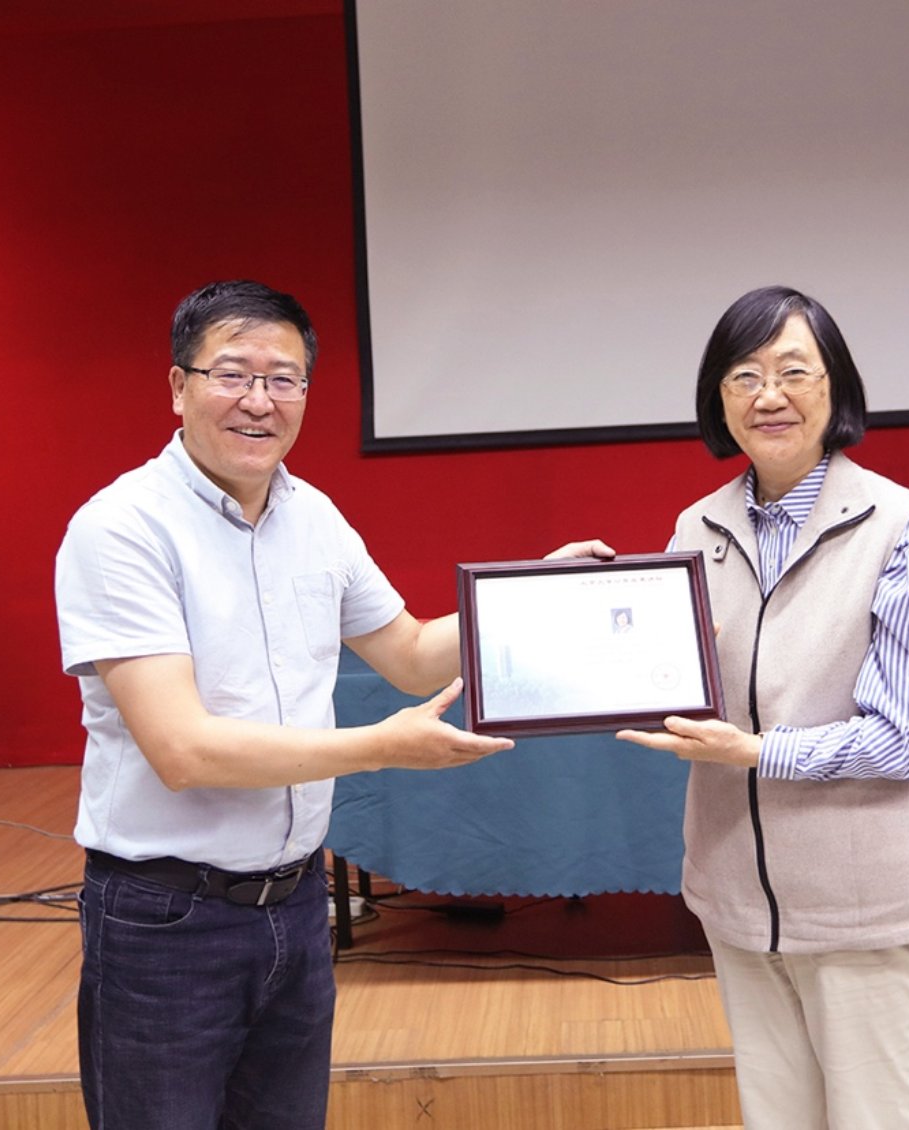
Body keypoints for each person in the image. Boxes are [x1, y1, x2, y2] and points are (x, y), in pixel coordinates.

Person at [54, 279, 607, 1130]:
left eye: (284, 379)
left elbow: (410, 654)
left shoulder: (315, 517)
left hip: (296, 909)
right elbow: (183, 750)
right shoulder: (122, 529)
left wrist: (530, 596)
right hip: (167, 920)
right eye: (232, 374)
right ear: (178, 387)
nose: (259, 400)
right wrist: (380, 748)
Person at [617, 285, 909, 1130]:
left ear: (834, 387)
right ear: (717, 399)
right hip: (737, 899)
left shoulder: (902, 527)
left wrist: (754, 751)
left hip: (865, 904)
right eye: (743, 376)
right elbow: (670, 681)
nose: (767, 395)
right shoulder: (694, 528)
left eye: (792, 372)